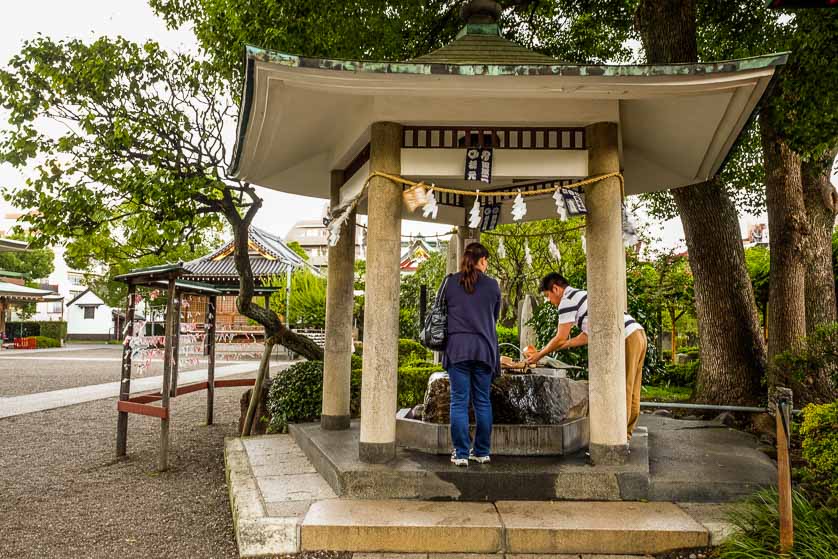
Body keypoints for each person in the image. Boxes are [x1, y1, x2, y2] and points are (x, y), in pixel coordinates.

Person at [526, 272, 647, 441]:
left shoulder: (567, 301)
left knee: (623, 388)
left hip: (625, 337)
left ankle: (618, 440)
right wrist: (564, 345)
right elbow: (587, 335)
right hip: (637, 333)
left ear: (556, 289)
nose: (550, 301)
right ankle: (626, 434)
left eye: (548, 296)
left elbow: (560, 337)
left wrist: (539, 355)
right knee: (632, 389)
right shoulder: (581, 295)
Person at [442, 242, 501, 467]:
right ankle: (483, 451)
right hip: (484, 349)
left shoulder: (450, 283)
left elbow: (444, 313)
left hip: (458, 349)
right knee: (482, 402)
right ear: (482, 260)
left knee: (459, 401)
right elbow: (493, 318)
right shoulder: (493, 286)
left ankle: (461, 453)